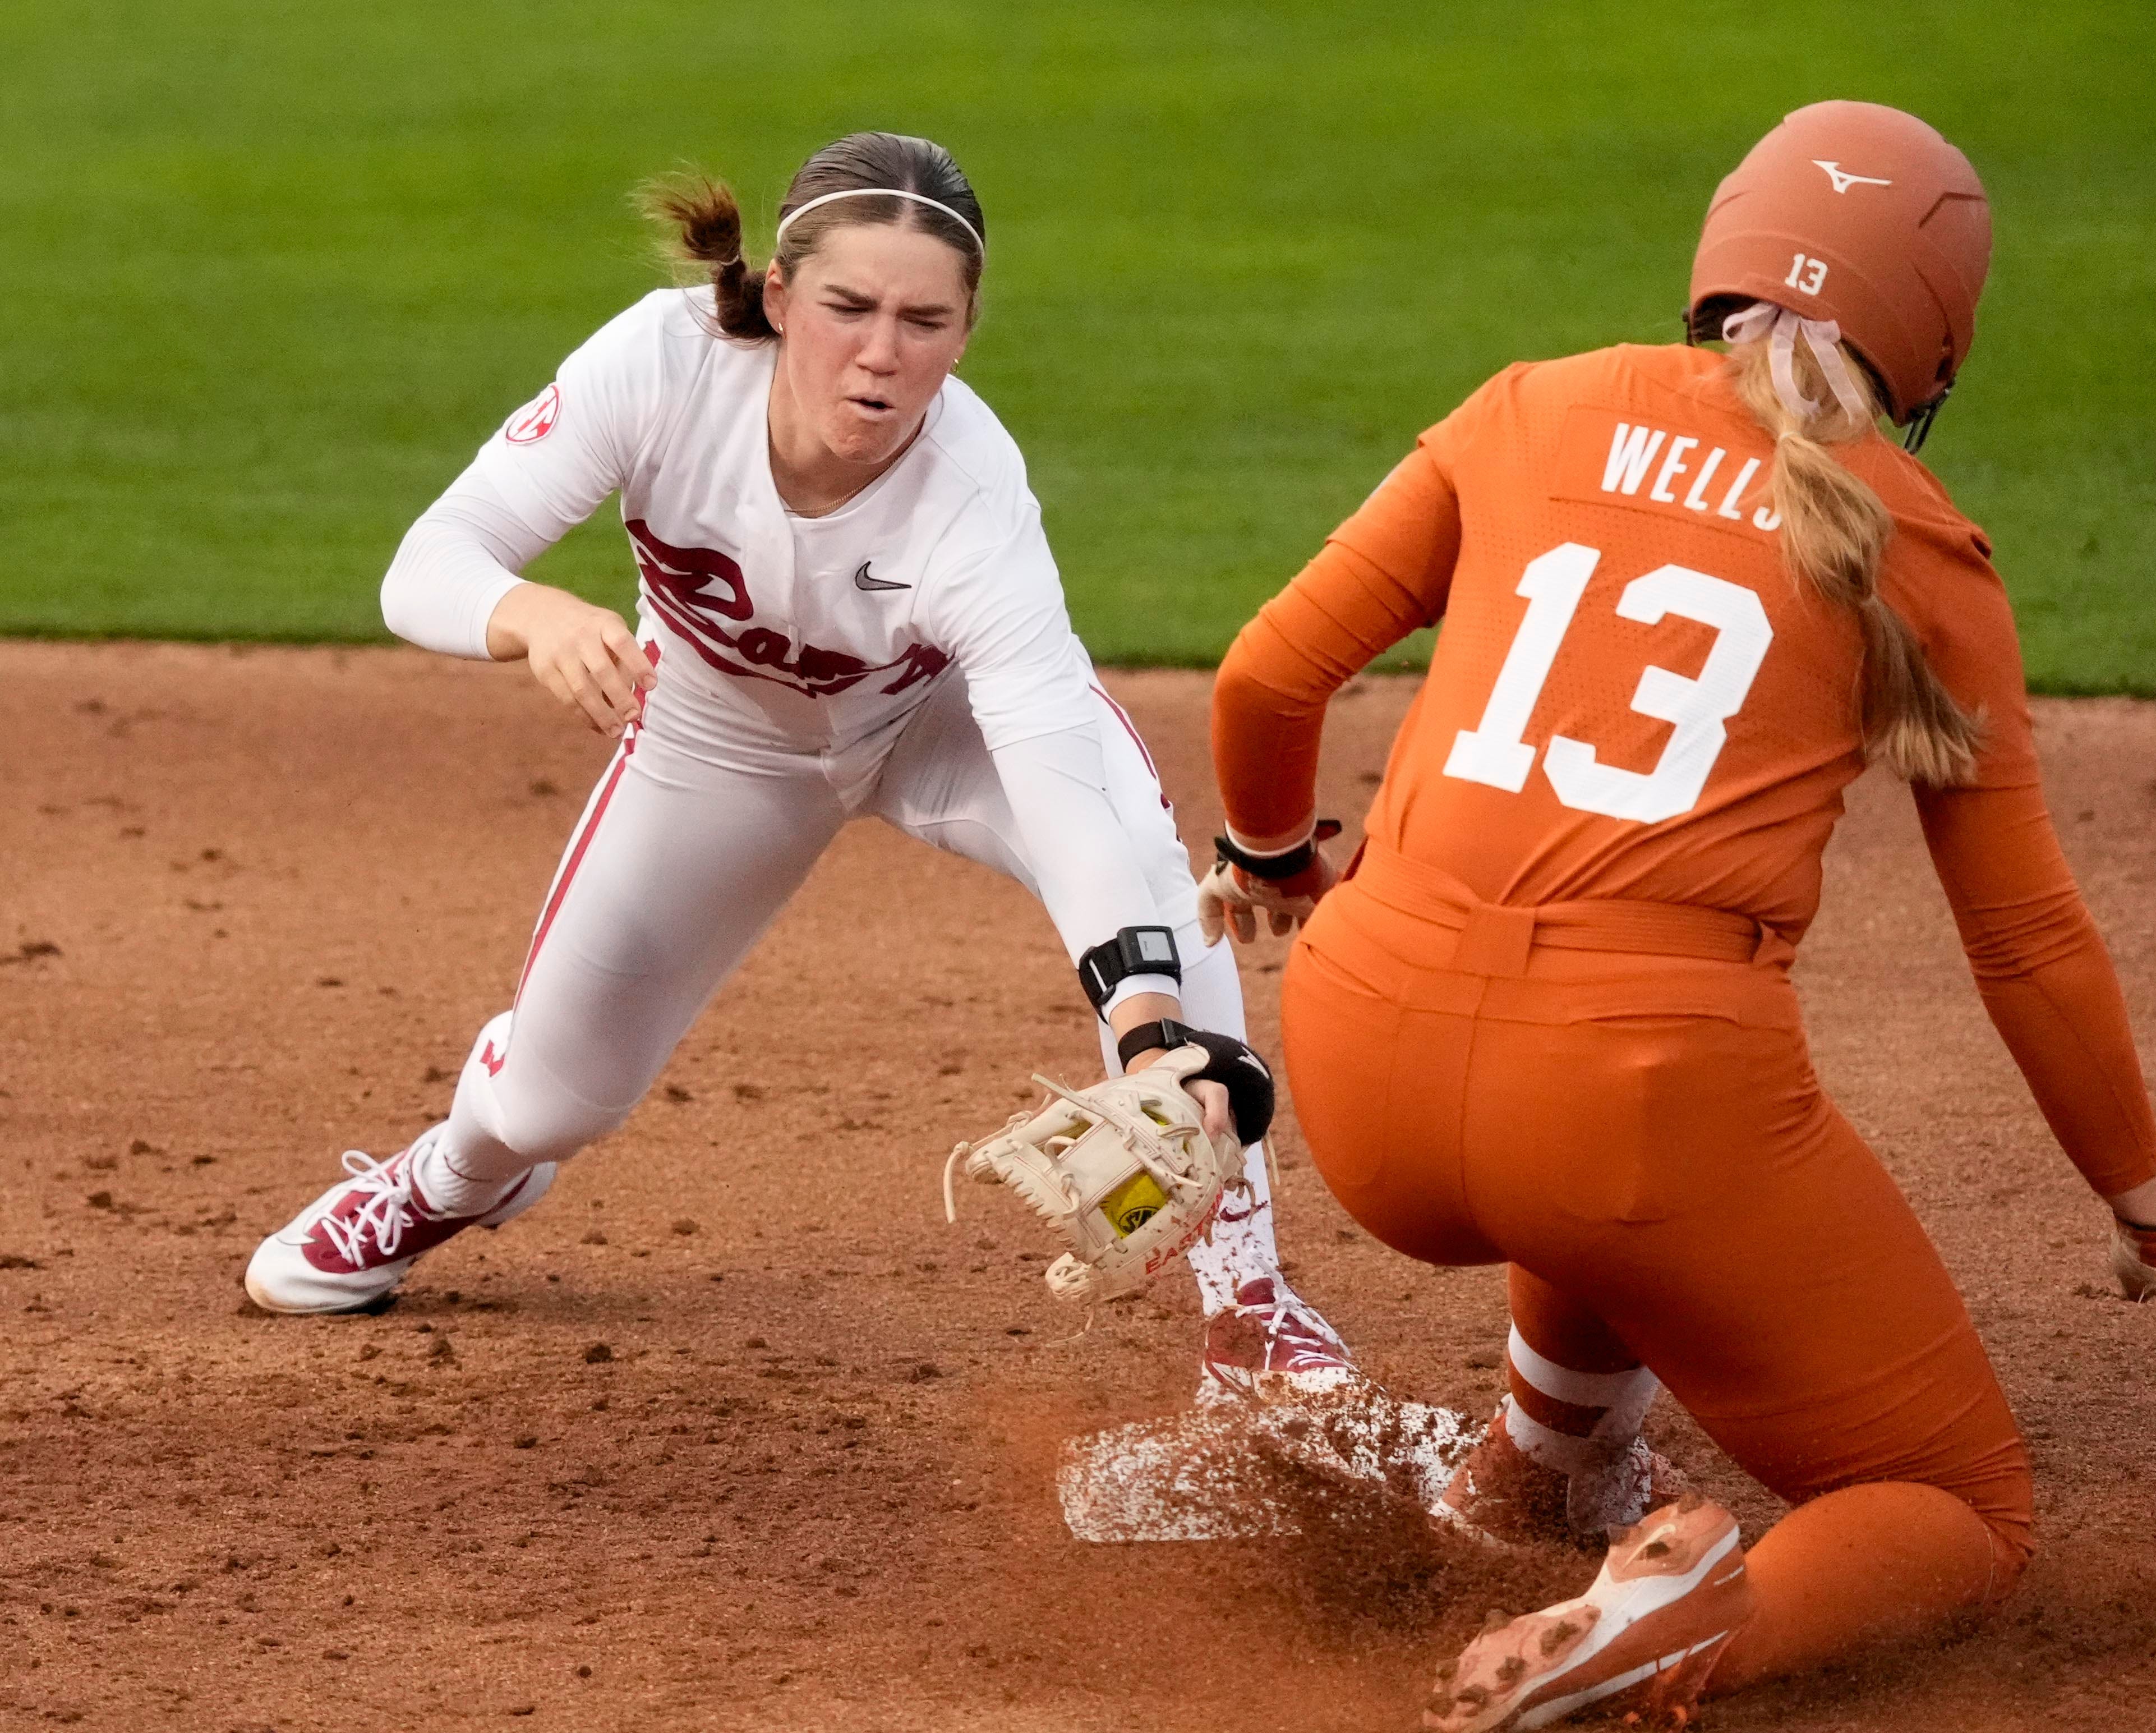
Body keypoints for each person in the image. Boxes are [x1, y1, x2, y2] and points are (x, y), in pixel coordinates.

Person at [1197, 102, 2156, 1728]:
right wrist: (2150, 1215)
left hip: (1359, 1059)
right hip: (1631, 1111)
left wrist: (1276, 863)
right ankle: (1681, 1628)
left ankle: (1536, 1467)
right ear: (1935, 342)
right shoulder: (1913, 546)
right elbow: (2024, 941)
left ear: (1715, 261)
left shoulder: (1526, 408)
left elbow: (1268, 674)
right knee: (1966, 1510)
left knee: (1597, 1174)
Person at [243, 131, 1351, 1401]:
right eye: (849, 308)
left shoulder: (974, 499)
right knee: (553, 1098)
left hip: (946, 723)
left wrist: (1147, 1032)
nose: (884, 353)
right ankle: (447, 1178)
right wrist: (532, 617)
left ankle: (1250, 1306)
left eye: (926, 320)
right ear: (778, 295)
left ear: (967, 330)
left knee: (1162, 894)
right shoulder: (665, 366)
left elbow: (1058, 780)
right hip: (719, 731)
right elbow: (428, 563)